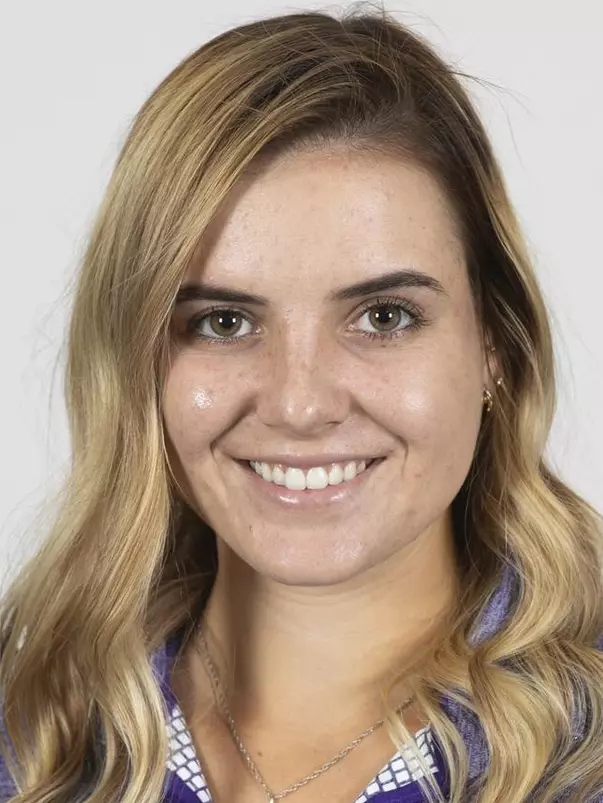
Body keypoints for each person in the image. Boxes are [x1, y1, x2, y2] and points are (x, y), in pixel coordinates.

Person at [1, 4, 603, 802]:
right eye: (223, 321)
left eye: (383, 317)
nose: (299, 402)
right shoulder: (34, 736)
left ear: (494, 343)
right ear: (139, 362)